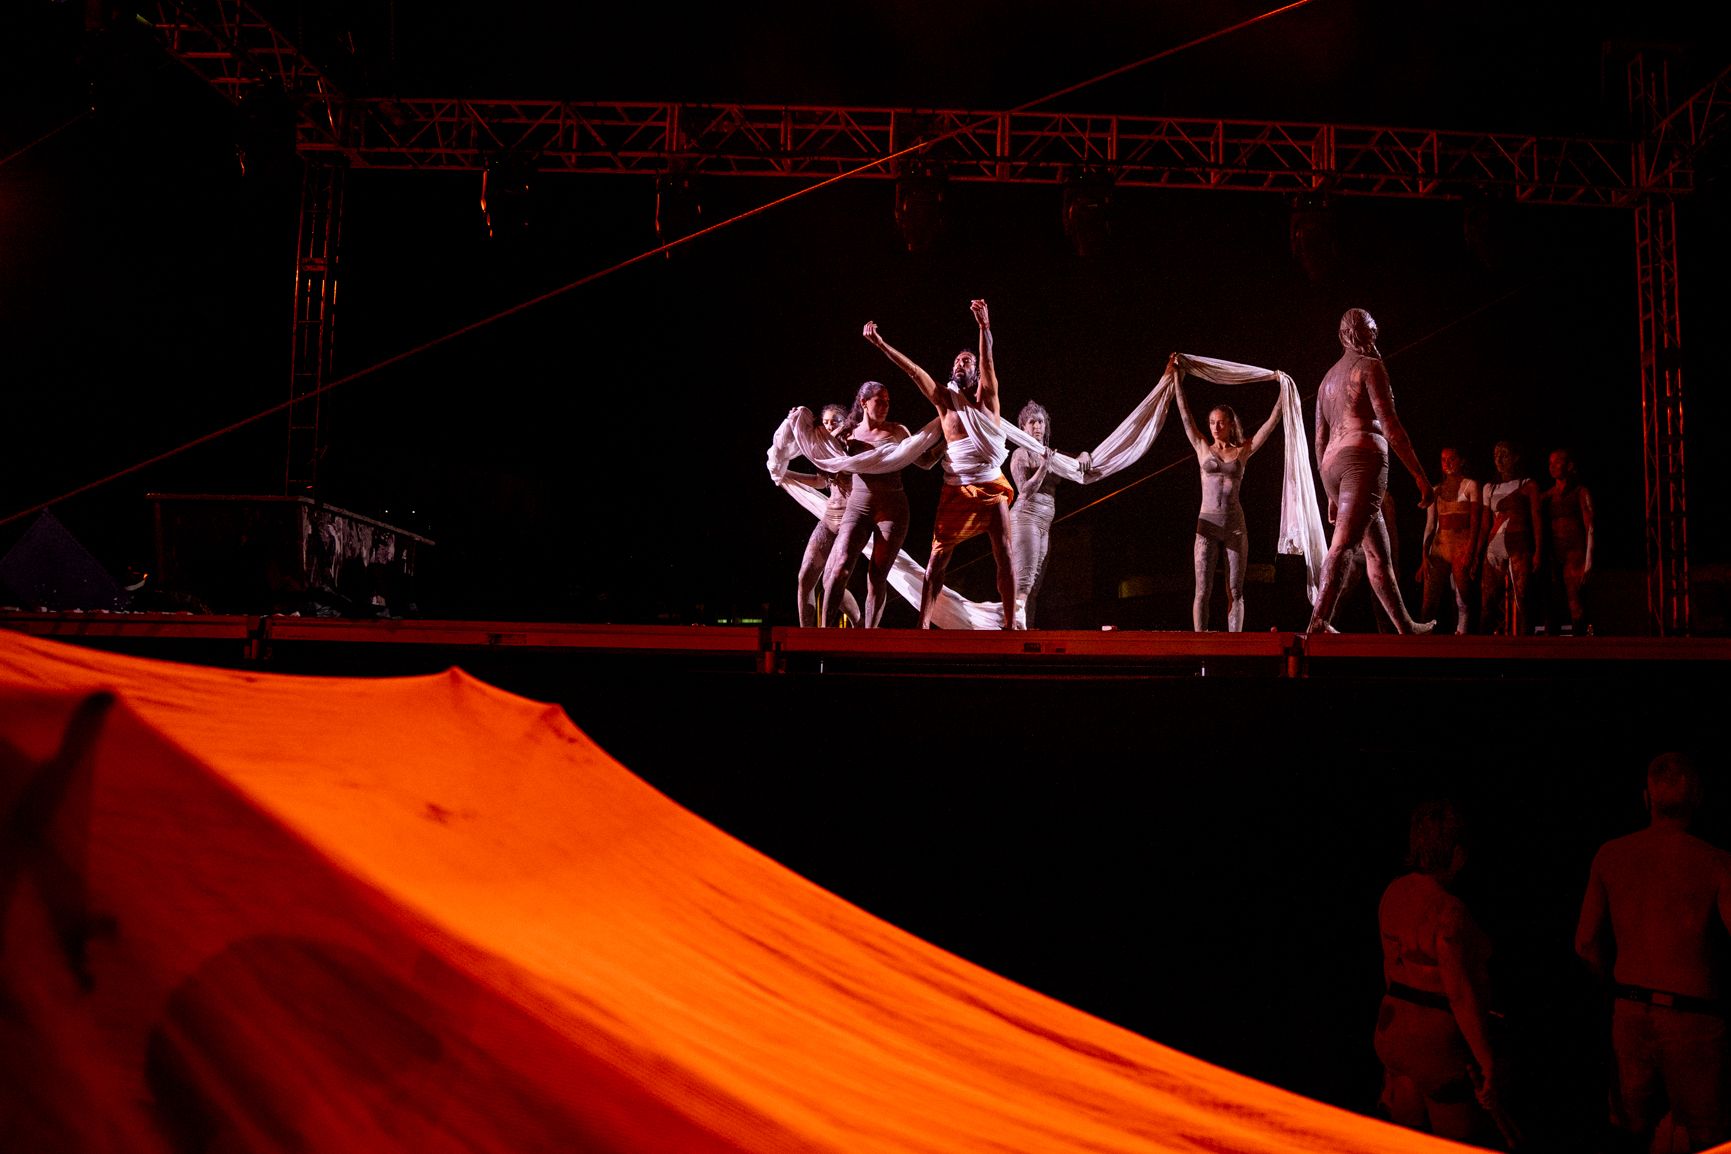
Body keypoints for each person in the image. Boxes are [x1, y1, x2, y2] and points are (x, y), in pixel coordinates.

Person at [1575, 751, 1731, 1154]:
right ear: (1697, 798)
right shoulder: (1716, 863)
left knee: (1629, 1133)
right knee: (1707, 1137)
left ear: (1646, 798)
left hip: (1629, 1012)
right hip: (1693, 1021)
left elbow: (1585, 943)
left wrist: (1614, 984)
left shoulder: (1611, 855)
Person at [864, 299, 1017, 629]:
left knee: (1004, 551)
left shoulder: (987, 400)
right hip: (955, 486)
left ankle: (1009, 623)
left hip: (991, 484)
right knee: (937, 559)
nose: (962, 365)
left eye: (967, 362)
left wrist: (984, 327)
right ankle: (923, 625)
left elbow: (988, 363)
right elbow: (914, 372)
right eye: (958, 362)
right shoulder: (944, 403)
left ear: (975, 373)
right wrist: (881, 345)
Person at [1374, 799, 1505, 1146]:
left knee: (1404, 1140)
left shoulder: (1393, 892)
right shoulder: (1449, 911)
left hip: (1393, 1033)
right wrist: (1485, 1059)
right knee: (1455, 1143)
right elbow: (1459, 994)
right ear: (1457, 853)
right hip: (1435, 1047)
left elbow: (1391, 967)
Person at [1306, 307, 1435, 634]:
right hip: (1361, 460)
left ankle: (1405, 626)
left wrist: (1330, 491)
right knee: (1343, 545)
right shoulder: (1370, 366)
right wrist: (1419, 474)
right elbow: (1390, 425)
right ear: (1370, 334)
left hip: (1333, 466)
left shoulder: (1325, 381)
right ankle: (1319, 620)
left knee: (1378, 555)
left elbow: (1319, 440)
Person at [1170, 364, 1282, 632]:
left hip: (1234, 525)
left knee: (1235, 589)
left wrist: (1283, 392)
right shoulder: (1201, 447)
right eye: (1211, 422)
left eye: (1220, 422)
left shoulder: (1243, 450)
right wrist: (1176, 379)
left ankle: (1236, 643)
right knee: (1202, 590)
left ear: (1231, 424)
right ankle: (1200, 644)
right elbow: (1185, 415)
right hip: (1206, 525)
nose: (1215, 426)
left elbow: (1270, 424)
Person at [819, 381, 913, 628]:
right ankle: (823, 634)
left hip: (892, 510)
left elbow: (923, 460)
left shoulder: (897, 431)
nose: (884, 406)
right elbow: (824, 460)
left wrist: (946, 440)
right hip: (858, 507)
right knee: (839, 569)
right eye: (878, 401)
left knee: (877, 576)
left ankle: (869, 636)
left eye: (887, 402)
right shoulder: (848, 434)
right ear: (863, 403)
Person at [783, 403, 861, 627]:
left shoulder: (851, 445)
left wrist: (836, 436)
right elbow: (820, 481)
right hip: (829, 517)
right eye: (825, 422)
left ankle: (860, 624)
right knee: (805, 577)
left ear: (845, 423)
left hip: (850, 518)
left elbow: (851, 469)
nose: (828, 427)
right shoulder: (822, 451)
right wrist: (787, 475)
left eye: (834, 422)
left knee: (830, 580)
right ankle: (806, 634)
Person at [1006, 400, 1066, 628]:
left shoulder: (1050, 455)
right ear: (1023, 427)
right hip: (1026, 518)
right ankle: (1014, 627)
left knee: (1035, 584)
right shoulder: (1021, 454)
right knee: (1024, 580)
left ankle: (1025, 626)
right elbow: (1025, 490)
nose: (1037, 426)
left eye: (1040, 421)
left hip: (1045, 522)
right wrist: (1043, 467)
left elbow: (1075, 465)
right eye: (1032, 422)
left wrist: (1083, 456)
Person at [1415, 447, 1483, 635]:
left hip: (1461, 545)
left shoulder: (1471, 486)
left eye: (1452, 459)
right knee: (1429, 599)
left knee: (1463, 597)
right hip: (1440, 547)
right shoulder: (1436, 490)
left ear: (1461, 461)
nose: (1447, 463)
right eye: (1444, 460)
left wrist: (1471, 550)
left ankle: (1463, 634)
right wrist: (1424, 556)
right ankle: (1424, 639)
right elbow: (1430, 526)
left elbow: (1476, 522)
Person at [1478, 441, 1542, 636]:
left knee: (1522, 597)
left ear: (1515, 457)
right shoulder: (1489, 487)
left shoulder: (1528, 485)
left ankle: (1524, 646)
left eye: (1504, 454)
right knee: (1488, 599)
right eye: (1496, 454)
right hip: (1494, 545)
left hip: (1518, 543)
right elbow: (1484, 524)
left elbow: (1537, 519)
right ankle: (1485, 648)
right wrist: (1476, 555)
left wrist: (1539, 550)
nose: (1499, 459)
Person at [1541, 447, 1595, 636]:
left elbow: (1590, 526)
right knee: (1552, 602)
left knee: (1574, 600)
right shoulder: (1547, 496)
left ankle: (1579, 647)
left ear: (1569, 465)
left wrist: (1588, 560)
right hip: (1554, 555)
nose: (1553, 466)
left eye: (1557, 462)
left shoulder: (1580, 492)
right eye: (1550, 462)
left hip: (1575, 553)